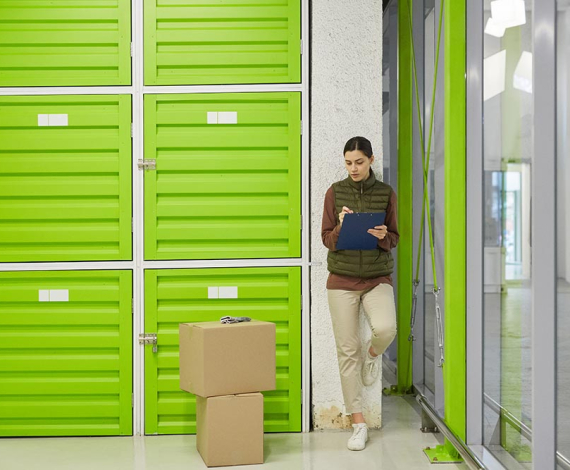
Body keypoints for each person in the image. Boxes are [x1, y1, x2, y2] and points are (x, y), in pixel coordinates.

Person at [321, 136, 399, 451]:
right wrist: (341, 226)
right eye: (348, 163)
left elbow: (395, 237)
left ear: (370, 160)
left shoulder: (385, 194)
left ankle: (372, 355)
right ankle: (358, 422)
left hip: (377, 277)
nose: (353, 168)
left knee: (385, 329)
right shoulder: (335, 193)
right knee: (347, 350)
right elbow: (326, 239)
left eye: (359, 162)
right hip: (341, 279)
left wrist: (383, 236)